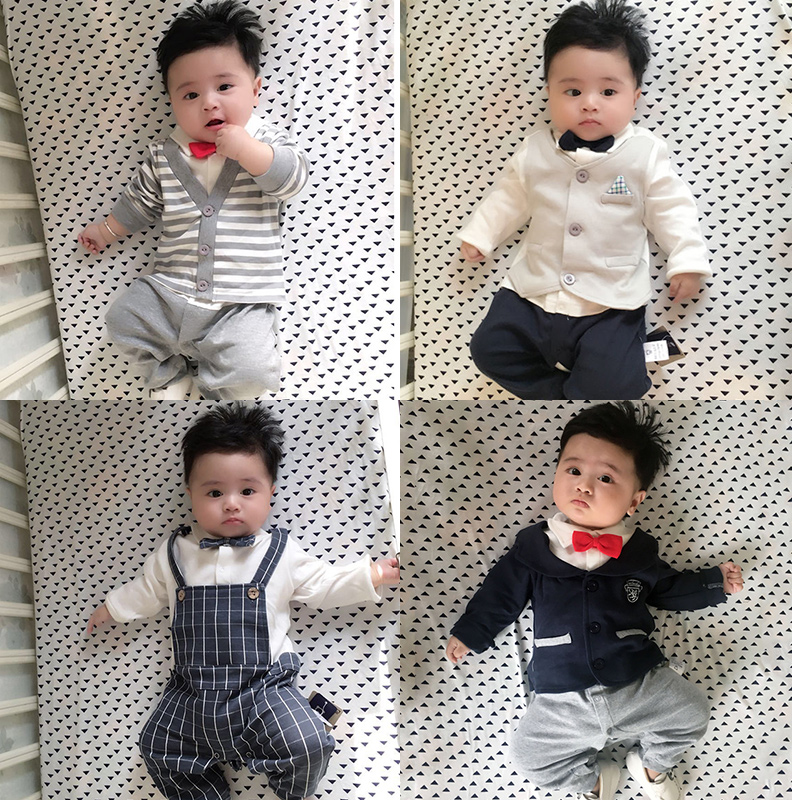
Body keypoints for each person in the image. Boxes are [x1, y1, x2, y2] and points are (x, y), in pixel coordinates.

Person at [87, 403, 400, 800]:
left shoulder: (280, 552)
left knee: (308, 744)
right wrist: (113, 608)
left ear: (271, 494)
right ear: (190, 494)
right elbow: (146, 591)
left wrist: (373, 574)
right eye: (215, 492)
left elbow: (323, 584)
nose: (231, 503)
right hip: (191, 695)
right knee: (155, 747)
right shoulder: (174, 553)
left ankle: (289, 792)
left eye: (247, 491)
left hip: (264, 693)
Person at [446, 402, 743, 800]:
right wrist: (471, 632)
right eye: (573, 471)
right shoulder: (533, 550)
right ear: (556, 474)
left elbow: (669, 589)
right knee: (527, 756)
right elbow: (500, 593)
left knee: (693, 712)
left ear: (634, 501)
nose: (584, 486)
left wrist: (712, 583)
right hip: (562, 698)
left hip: (638, 681)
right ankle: (595, 782)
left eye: (605, 478)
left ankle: (651, 766)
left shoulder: (639, 554)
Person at [457, 0, 710, 400]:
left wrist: (688, 261)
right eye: (573, 91)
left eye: (608, 91)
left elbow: (672, 209)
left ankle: (600, 379)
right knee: (489, 350)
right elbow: (509, 195)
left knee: (616, 382)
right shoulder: (535, 149)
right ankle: (562, 393)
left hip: (610, 301)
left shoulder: (645, 153)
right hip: (531, 293)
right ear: (549, 94)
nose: (590, 102)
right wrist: (481, 235)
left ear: (635, 97)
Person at [78, 0, 308, 400]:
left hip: (240, 303)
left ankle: (214, 391)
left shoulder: (267, 143)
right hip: (169, 291)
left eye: (224, 87)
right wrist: (107, 230)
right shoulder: (164, 155)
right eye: (190, 94)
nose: (209, 102)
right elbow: (139, 203)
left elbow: (292, 180)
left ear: (255, 90)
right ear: (172, 103)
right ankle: (168, 377)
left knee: (252, 369)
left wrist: (248, 151)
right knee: (121, 320)